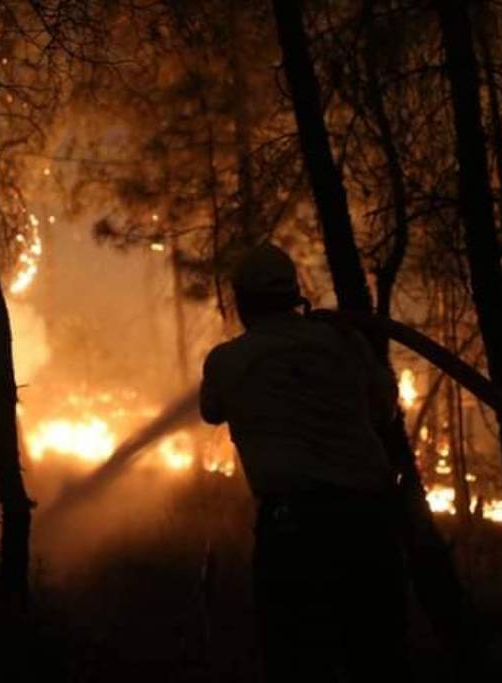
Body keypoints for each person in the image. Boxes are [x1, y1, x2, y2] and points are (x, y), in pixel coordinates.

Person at [200, 243, 408, 682]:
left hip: (295, 533)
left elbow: (212, 409)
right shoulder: (345, 343)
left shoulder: (228, 361)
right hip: (369, 524)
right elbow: (384, 410)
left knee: (298, 663)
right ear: (296, 293)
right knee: (376, 659)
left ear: (241, 303)